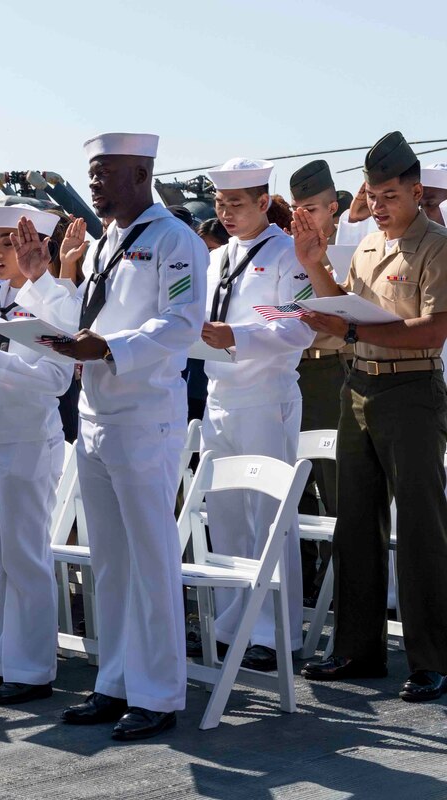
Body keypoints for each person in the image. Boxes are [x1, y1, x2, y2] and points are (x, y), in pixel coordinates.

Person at [15, 132, 207, 740]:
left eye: (106, 173)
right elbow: (87, 317)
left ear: (143, 172)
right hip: (98, 414)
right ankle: (116, 683)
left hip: (145, 418)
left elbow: (181, 325)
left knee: (150, 560)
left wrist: (108, 347)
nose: (94, 184)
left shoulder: (174, 239)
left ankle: (158, 693)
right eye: (92, 173)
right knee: (113, 562)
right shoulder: (104, 244)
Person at [295, 131, 447, 703]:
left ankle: (433, 657)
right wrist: (315, 270)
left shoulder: (437, 246)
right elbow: (345, 309)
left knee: (421, 529)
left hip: (411, 392)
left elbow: (434, 329)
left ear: (415, 192)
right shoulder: (365, 248)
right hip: (357, 389)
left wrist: (353, 329)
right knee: (354, 522)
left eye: (389, 196)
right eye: (372, 196)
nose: (378, 207)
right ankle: (359, 650)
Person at [194, 157, 313, 672]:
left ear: (264, 203)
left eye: (236, 204)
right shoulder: (217, 259)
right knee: (224, 515)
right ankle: (230, 623)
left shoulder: (289, 255)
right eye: (220, 205)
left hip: (267, 395)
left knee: (269, 517)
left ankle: (275, 633)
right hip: (220, 395)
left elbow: (302, 327)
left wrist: (237, 337)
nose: (226, 214)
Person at [0, 204, 73, 705]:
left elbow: (57, 379)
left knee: (26, 556)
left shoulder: (58, 301)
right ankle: (3, 658)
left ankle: (33, 668)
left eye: (10, 242)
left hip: (26, 441)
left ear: (38, 247)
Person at [289, 160, 350, 603]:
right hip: (289, 371)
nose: (303, 216)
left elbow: (344, 323)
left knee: (335, 485)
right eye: (296, 207)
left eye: (310, 207)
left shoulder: (352, 251)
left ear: (332, 208)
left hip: (329, 373)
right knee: (294, 485)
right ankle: (305, 584)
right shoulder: (283, 250)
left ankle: (341, 587)